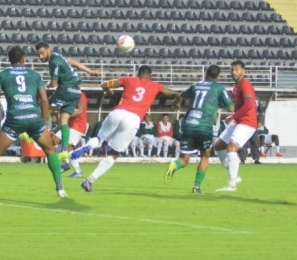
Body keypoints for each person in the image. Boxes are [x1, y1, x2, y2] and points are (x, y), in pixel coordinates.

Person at [0, 46, 66, 198]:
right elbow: (45, 100)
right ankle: (60, 190)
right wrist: (44, 120)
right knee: (50, 151)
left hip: (14, 119)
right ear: (23, 59)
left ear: (10, 60)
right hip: (34, 118)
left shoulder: (3, 75)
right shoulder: (34, 75)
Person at [70, 66, 181, 192]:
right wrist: (177, 102)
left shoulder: (128, 79)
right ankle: (89, 180)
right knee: (114, 154)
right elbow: (175, 93)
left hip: (118, 112)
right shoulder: (156, 85)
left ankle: (86, 147)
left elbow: (104, 84)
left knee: (99, 138)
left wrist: (109, 92)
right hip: (133, 118)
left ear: (137, 73)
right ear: (150, 76)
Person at [164, 65, 234, 193]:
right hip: (204, 126)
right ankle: (196, 186)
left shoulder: (196, 85)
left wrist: (177, 103)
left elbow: (181, 95)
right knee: (205, 156)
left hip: (188, 124)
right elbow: (231, 108)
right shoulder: (219, 88)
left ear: (206, 73)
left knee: (184, 159)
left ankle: (174, 165)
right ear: (218, 77)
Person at [35, 42, 100, 156]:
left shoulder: (54, 62)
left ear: (47, 49)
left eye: (42, 53)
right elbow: (73, 62)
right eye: (38, 55)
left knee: (46, 109)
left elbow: (54, 84)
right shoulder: (59, 56)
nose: (41, 57)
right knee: (63, 121)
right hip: (76, 92)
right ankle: (64, 151)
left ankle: (36, 133)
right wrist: (90, 72)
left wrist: (47, 85)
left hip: (66, 89)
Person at [214, 60, 257, 192]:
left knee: (231, 147)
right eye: (232, 70)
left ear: (243, 71)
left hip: (248, 122)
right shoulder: (236, 86)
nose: (234, 72)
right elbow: (235, 104)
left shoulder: (245, 84)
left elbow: (250, 105)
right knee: (218, 146)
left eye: (237, 70)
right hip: (239, 121)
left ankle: (232, 184)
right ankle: (235, 176)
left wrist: (234, 116)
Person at [54, 91, 88, 177]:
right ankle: (65, 163)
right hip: (68, 125)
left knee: (69, 147)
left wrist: (67, 114)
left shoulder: (80, 95)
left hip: (78, 126)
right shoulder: (68, 95)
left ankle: (78, 171)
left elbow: (80, 110)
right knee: (54, 140)